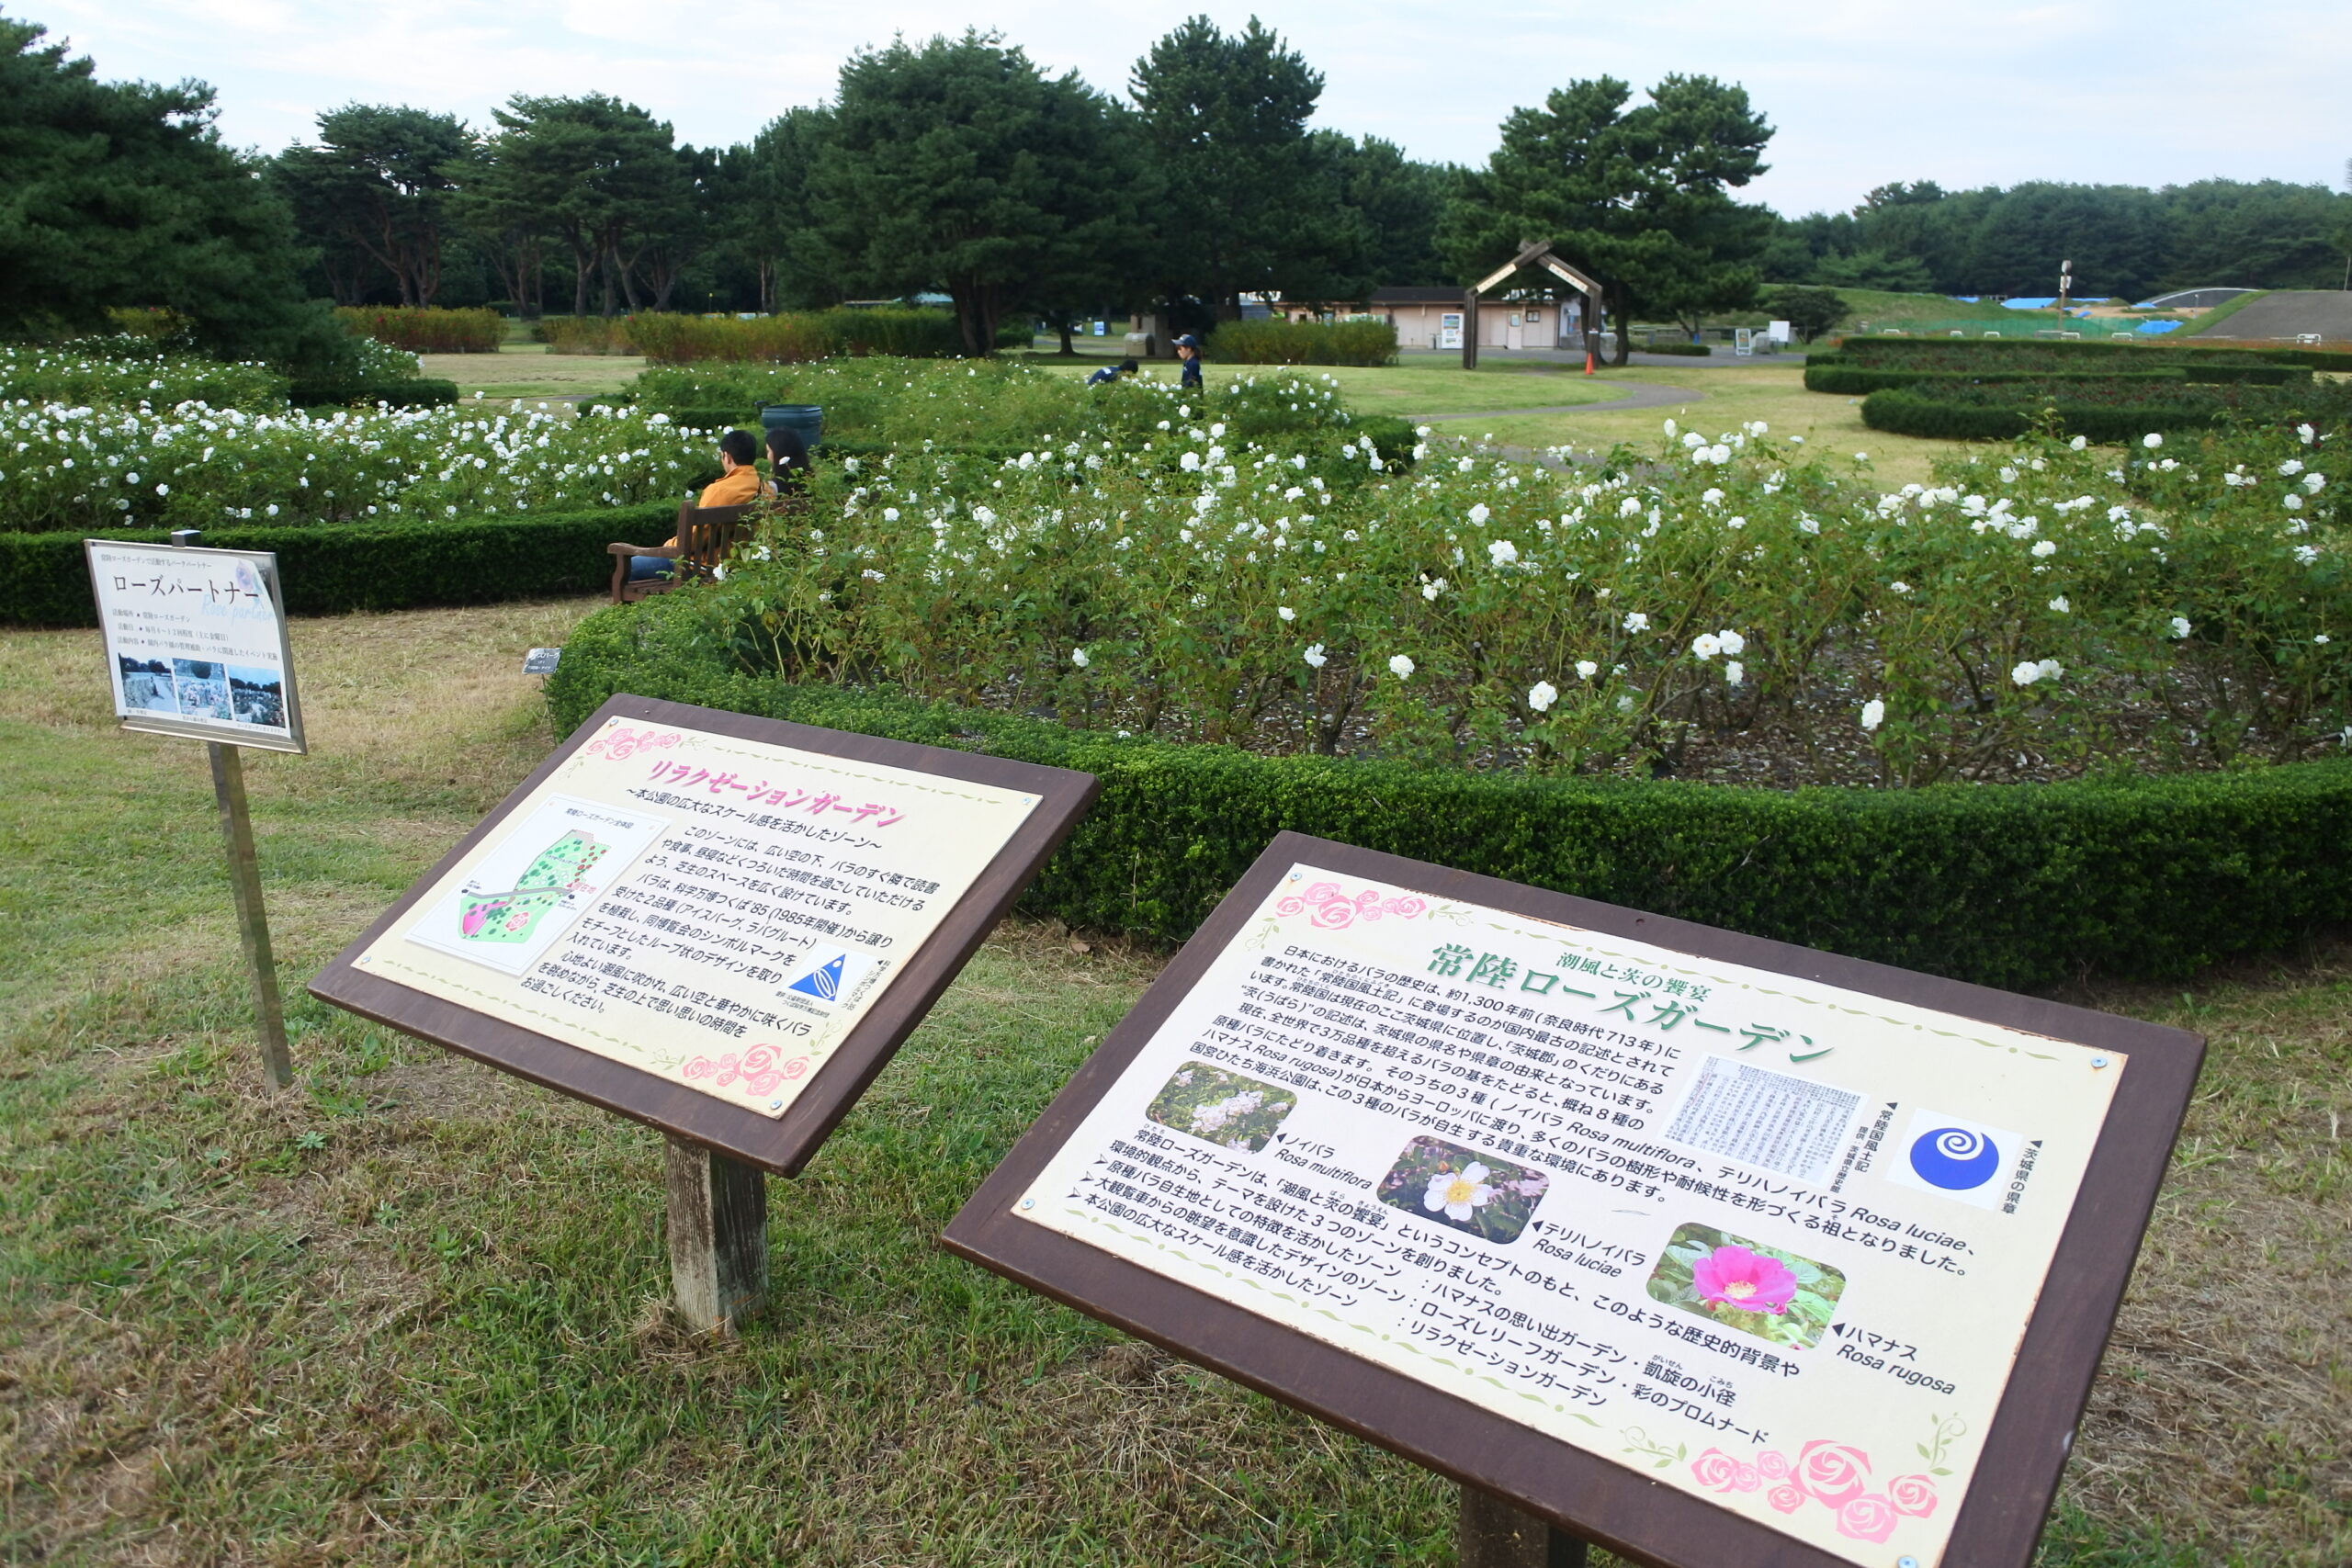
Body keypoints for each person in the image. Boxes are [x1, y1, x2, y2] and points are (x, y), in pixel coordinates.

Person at [629, 429, 763, 583]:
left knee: (630, 565)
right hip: (743, 561)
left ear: (727, 456)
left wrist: (668, 545)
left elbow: (694, 540)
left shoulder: (719, 490)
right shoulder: (765, 488)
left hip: (703, 566)